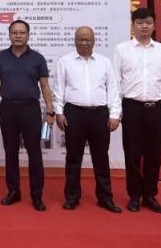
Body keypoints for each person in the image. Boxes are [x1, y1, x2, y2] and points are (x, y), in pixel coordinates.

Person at [113, 7, 161, 214]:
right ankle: (134, 195)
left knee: (153, 153)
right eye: (140, 23)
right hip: (131, 107)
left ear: (154, 25)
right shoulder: (122, 50)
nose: (144, 26)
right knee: (132, 153)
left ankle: (150, 194)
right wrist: (115, 110)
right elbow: (116, 82)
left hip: (155, 108)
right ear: (133, 25)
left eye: (148, 22)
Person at [52, 27, 122, 213]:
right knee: (73, 158)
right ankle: (72, 197)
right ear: (74, 40)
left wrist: (114, 114)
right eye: (80, 39)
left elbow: (113, 90)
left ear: (94, 41)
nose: (84, 43)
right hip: (73, 114)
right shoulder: (65, 61)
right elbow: (58, 89)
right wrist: (59, 112)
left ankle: (105, 198)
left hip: (99, 115)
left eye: (87, 39)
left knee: (101, 158)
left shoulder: (105, 62)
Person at [0, 19, 54, 212]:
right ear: (9, 35)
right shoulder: (1, 57)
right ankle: (13, 191)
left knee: (35, 153)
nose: (18, 35)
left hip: (31, 109)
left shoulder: (38, 58)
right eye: (14, 32)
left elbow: (45, 86)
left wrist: (50, 111)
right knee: (10, 153)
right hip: (8, 109)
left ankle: (37, 195)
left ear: (28, 35)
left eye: (22, 32)